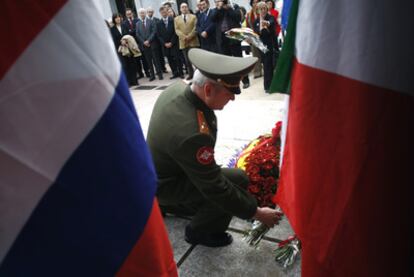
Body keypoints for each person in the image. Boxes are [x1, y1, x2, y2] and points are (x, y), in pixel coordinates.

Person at [147, 48, 282, 247]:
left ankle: (172, 206)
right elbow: (215, 187)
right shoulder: (192, 134)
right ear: (208, 89)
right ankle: (199, 231)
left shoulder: (177, 90)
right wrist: (257, 212)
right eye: (230, 92)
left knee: (225, 182)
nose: (233, 98)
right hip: (164, 185)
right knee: (237, 180)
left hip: (158, 173)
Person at [211, 0, 251, 89]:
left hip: (233, 38)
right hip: (222, 39)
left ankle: (245, 80)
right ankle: (231, 83)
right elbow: (212, 18)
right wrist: (219, 8)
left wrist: (229, 9)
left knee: (238, 61)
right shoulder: (216, 9)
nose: (219, 2)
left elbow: (238, 17)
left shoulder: (234, 6)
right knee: (227, 63)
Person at [136, 8, 164, 81]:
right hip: (144, 46)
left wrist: (148, 40)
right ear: (139, 14)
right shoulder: (137, 24)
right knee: (149, 61)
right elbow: (137, 34)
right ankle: (152, 75)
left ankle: (159, 74)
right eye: (141, 13)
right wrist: (144, 42)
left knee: (156, 60)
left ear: (145, 13)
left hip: (152, 44)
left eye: (143, 13)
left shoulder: (151, 21)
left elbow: (154, 31)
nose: (142, 14)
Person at [174, 2, 200, 80]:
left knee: (195, 59)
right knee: (187, 60)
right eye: (182, 7)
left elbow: (196, 28)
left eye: (185, 7)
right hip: (183, 42)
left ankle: (198, 74)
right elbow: (177, 30)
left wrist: (189, 36)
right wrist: (184, 37)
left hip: (193, 40)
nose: (184, 8)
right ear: (180, 9)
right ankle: (190, 74)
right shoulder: (176, 19)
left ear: (188, 8)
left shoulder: (193, 17)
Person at [253, 2, 275, 93]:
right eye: (260, 9)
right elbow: (256, 33)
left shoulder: (270, 18)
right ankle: (269, 85)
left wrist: (267, 24)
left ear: (266, 9)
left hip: (270, 45)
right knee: (266, 65)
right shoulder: (256, 21)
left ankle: (268, 86)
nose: (262, 10)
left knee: (268, 65)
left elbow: (271, 23)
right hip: (261, 46)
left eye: (264, 8)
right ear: (257, 10)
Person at [157, 6, 184, 79]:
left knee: (177, 59)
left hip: (174, 43)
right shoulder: (158, 23)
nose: (164, 14)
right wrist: (165, 43)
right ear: (160, 13)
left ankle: (181, 73)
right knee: (170, 60)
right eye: (162, 13)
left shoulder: (173, 20)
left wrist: (171, 42)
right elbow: (159, 35)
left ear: (167, 12)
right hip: (165, 45)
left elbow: (176, 32)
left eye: (165, 12)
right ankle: (175, 73)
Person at [245, 0, 263, 78]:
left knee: (264, 54)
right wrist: (248, 38)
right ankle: (257, 72)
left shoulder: (262, 12)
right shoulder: (249, 14)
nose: (255, 4)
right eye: (253, 2)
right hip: (253, 37)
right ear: (251, 4)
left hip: (263, 36)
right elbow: (247, 27)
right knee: (255, 55)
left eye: (256, 2)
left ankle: (268, 70)